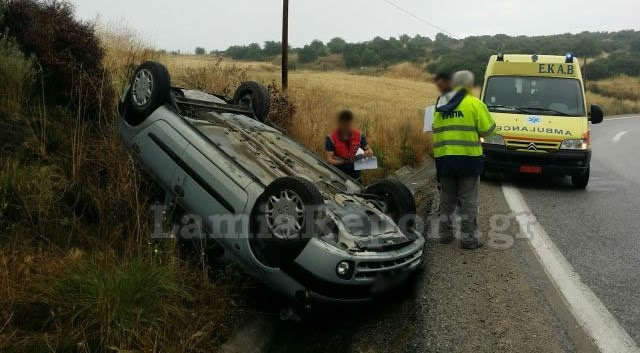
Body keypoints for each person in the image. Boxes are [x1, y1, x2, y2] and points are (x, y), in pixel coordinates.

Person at [433, 70, 496, 250]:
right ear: (469, 85)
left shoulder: (440, 104)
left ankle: (445, 235)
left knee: (447, 199)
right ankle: (469, 239)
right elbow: (489, 130)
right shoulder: (474, 104)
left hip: (444, 159)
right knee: (468, 200)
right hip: (468, 158)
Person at [325, 110, 374, 181]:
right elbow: (329, 159)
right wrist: (343, 162)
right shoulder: (331, 138)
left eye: (348, 124)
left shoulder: (358, 135)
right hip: (339, 176)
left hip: (356, 175)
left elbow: (368, 149)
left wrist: (369, 152)